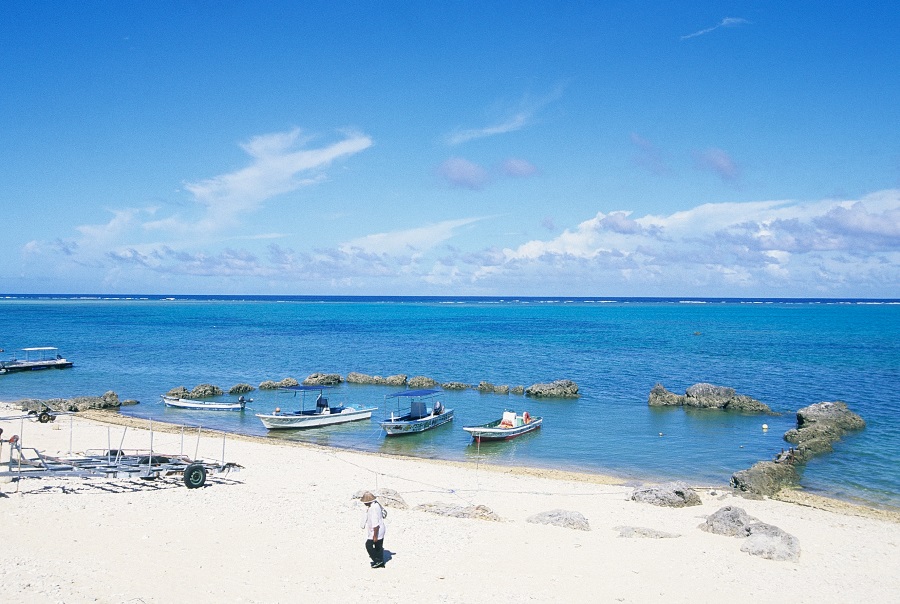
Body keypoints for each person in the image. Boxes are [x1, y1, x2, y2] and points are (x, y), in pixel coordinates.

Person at [360, 491, 386, 568]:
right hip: (380, 529)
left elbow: (375, 524)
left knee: (368, 545)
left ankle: (378, 560)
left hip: (376, 531)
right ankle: (380, 562)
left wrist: (375, 536)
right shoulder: (376, 505)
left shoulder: (373, 509)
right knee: (378, 547)